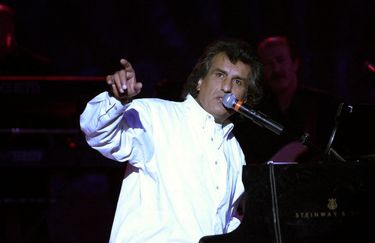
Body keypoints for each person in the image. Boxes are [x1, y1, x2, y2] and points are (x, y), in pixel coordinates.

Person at [79, 39, 263, 242]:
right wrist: (117, 100)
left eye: (238, 82)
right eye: (220, 75)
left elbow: (228, 220)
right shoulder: (156, 116)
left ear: (244, 97)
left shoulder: (234, 150)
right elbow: (97, 133)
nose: (227, 87)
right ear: (200, 82)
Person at [235, 36, 340, 164]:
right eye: (268, 63)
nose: (276, 69)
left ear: (295, 63)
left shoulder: (322, 104)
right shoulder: (253, 112)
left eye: (280, 60)